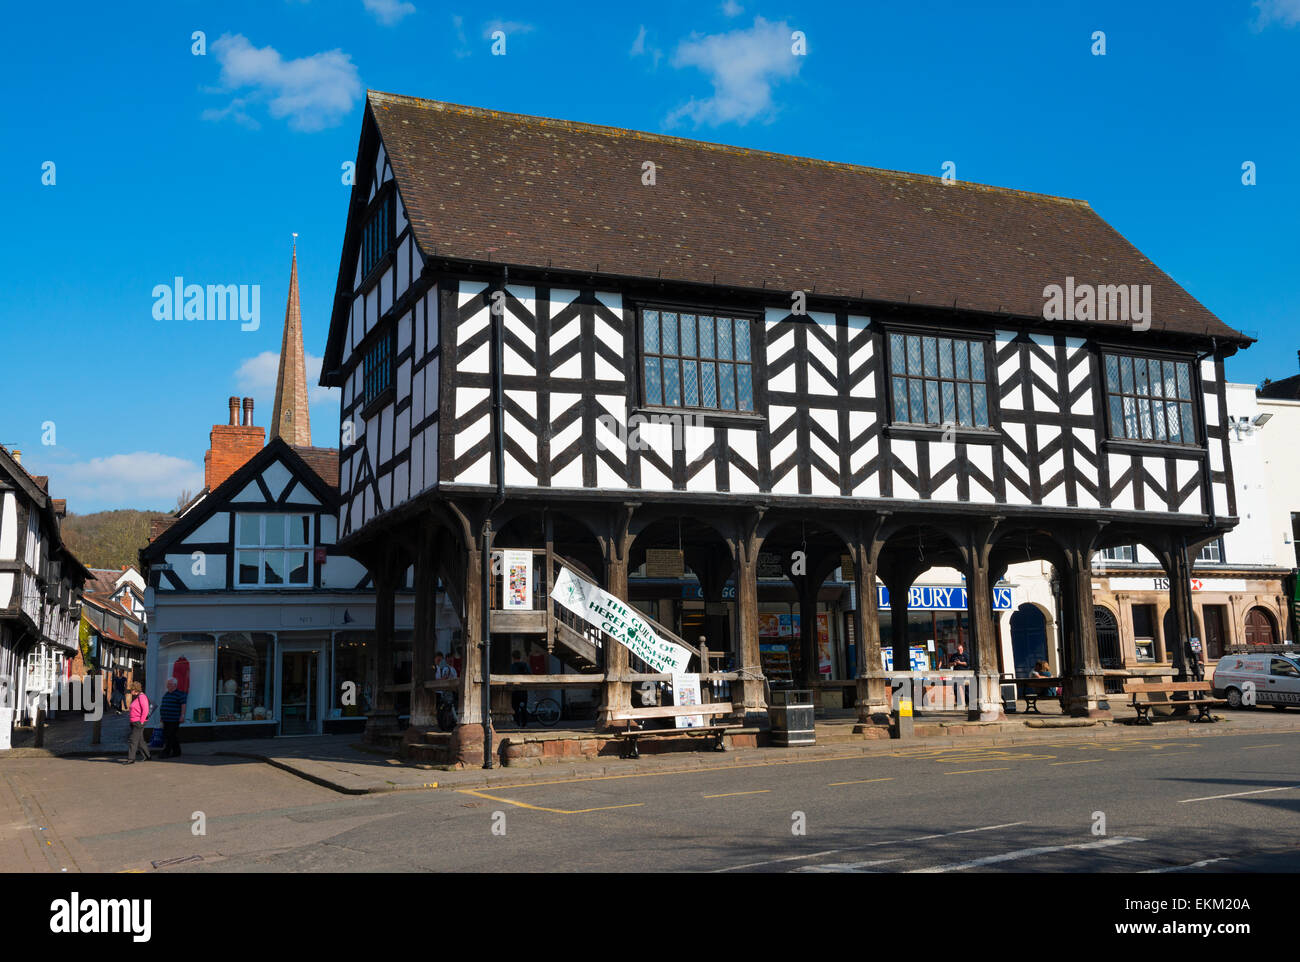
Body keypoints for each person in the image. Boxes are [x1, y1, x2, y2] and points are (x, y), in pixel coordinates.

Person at [158, 678, 186, 758]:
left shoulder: (180, 694)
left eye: (170, 684)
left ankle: (166, 752)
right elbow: (163, 706)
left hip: (174, 719)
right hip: (166, 719)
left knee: (170, 736)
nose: (168, 686)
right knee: (171, 736)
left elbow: (183, 706)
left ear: (175, 685)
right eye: (167, 684)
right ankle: (177, 752)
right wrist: (161, 717)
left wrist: (182, 716)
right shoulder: (166, 694)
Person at [124, 682, 152, 764]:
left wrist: (141, 721)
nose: (130, 692)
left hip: (138, 722)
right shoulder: (138, 697)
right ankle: (148, 756)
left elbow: (145, 710)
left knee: (133, 740)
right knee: (140, 740)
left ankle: (131, 759)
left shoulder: (142, 697)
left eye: (131, 690)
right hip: (135, 722)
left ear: (135, 689)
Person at [433, 653, 458, 731]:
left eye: (452, 658)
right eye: (449, 658)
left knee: (449, 708)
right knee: (448, 707)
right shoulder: (446, 669)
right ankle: (454, 723)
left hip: (449, 691)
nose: (451, 660)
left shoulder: (452, 669)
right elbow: (443, 679)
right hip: (446, 691)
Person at [509, 649, 531, 727]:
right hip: (523, 689)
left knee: (515, 708)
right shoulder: (525, 665)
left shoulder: (512, 666)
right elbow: (530, 675)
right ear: (520, 657)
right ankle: (524, 724)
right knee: (523, 707)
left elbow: (510, 677)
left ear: (513, 657)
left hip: (515, 690)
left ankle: (517, 723)